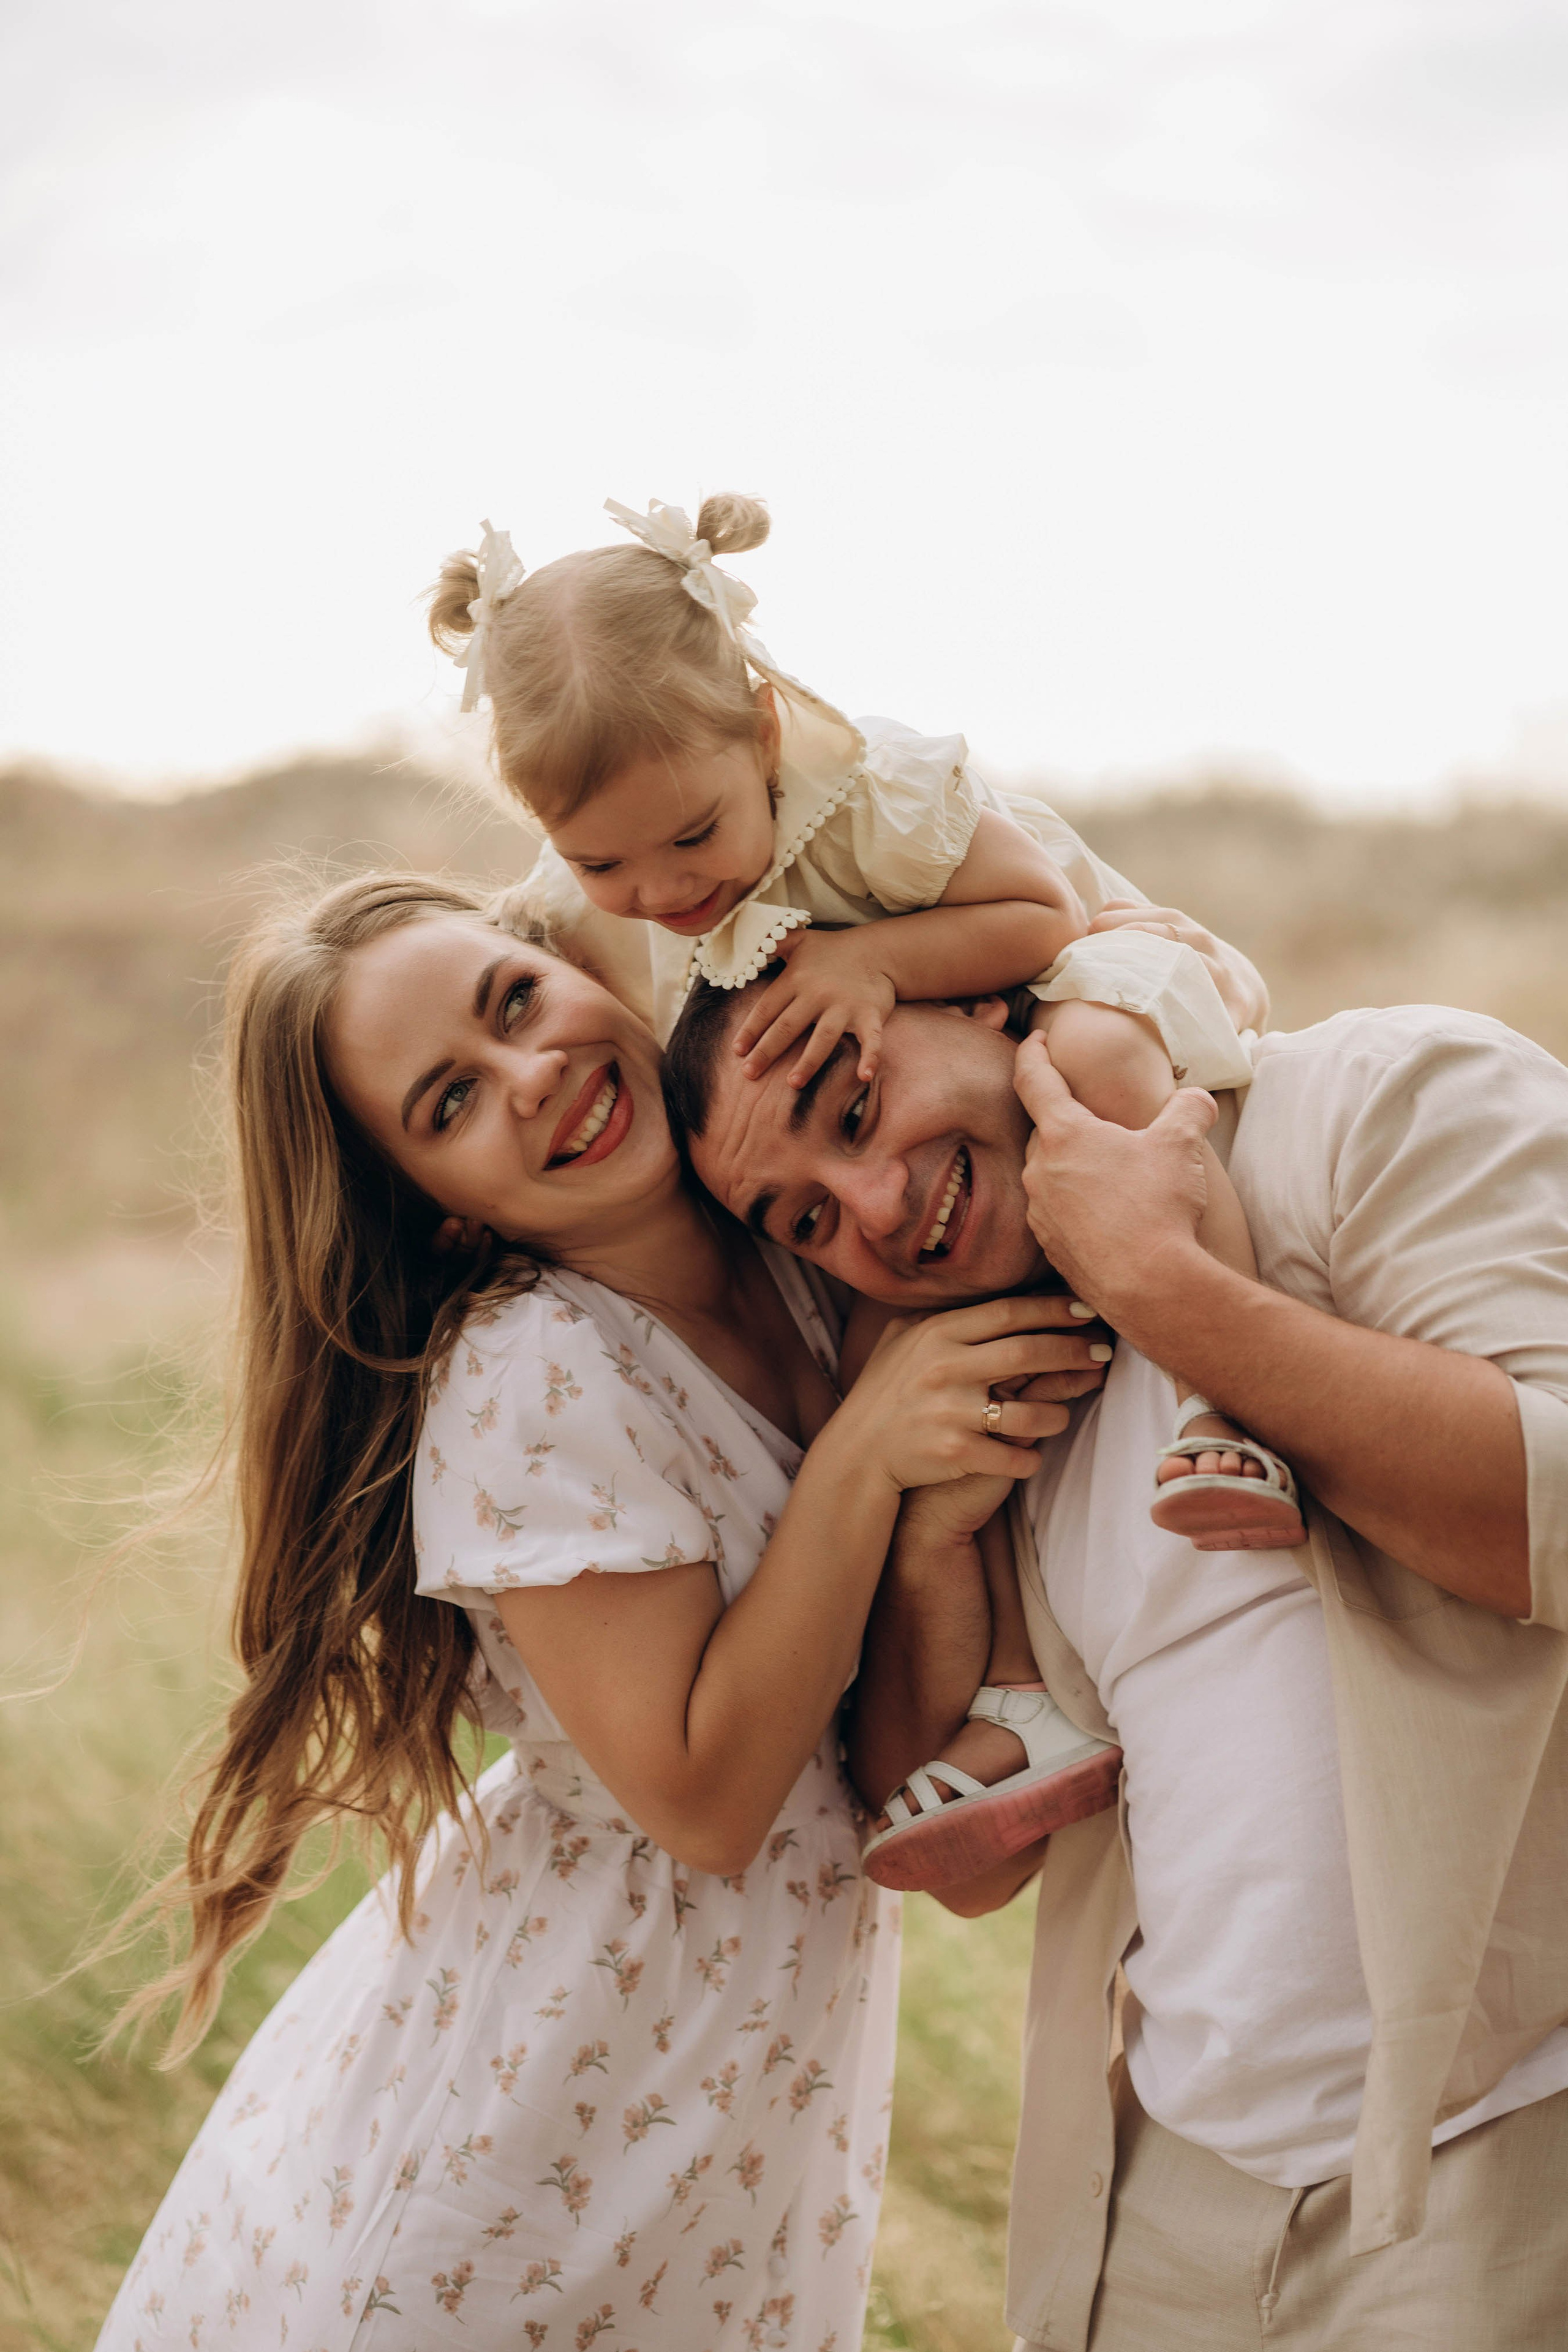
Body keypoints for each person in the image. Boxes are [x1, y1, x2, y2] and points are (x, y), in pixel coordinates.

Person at [97, 873, 1091, 2352]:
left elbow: (922, 1820)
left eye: (517, 1002)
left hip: (742, 2111)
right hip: (535, 2128)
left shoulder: (801, 1254)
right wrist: (868, 1460)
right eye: (449, 1102)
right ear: (439, 1217)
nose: (533, 1072)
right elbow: (701, 1798)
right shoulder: (532, 1372)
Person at [668, 970, 1568, 2346]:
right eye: (803, 1221)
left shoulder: (1379, 1098)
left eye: (854, 1106)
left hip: (1497, 2156)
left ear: (978, 1002)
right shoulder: (1000, 1359)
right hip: (1164, 2208)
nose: (870, 1209)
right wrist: (927, 1546)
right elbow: (979, 1863)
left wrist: (1161, 1283)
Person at [426, 492, 1293, 1888]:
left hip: (1074, 991)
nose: (659, 891)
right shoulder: (608, 900)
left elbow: (1043, 922)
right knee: (897, 1376)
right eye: (604, 864)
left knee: (1097, 1078)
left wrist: (880, 967)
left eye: (693, 837)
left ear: (762, 729)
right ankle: (1015, 1695)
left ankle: (1228, 1401)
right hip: (922, 1100)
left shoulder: (877, 799)